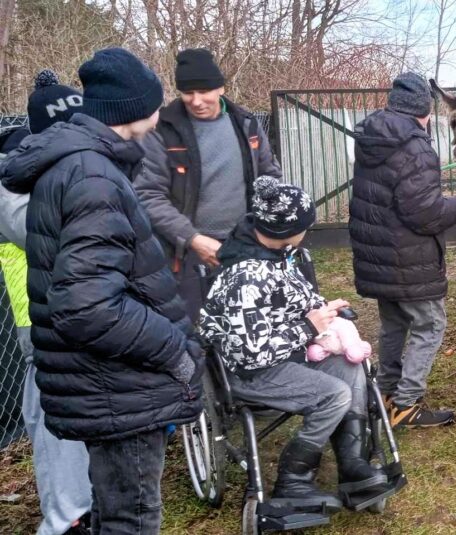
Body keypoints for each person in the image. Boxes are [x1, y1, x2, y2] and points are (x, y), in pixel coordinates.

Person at [0, 48, 202, 535]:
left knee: (115, 512)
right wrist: (174, 350)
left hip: (107, 383)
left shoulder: (79, 164)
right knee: (131, 520)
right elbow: (86, 305)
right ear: (136, 109)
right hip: (119, 384)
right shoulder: (93, 176)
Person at [200, 176, 388, 504]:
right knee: (333, 394)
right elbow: (250, 355)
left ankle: (353, 465)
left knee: (350, 368)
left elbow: (293, 298)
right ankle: (292, 481)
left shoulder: (278, 253)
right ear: (289, 228)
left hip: (287, 353)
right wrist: (308, 328)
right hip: (248, 372)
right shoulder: (247, 277)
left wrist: (322, 311)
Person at [0, 70, 92, 535]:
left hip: (80, 314)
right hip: (40, 320)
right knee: (52, 419)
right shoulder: (13, 176)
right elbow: (35, 232)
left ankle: (82, 505)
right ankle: (66, 518)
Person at [349, 72, 456, 428]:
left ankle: (385, 392)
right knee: (430, 324)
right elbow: (425, 214)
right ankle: (407, 403)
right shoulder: (416, 146)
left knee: (394, 322)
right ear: (424, 112)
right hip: (408, 259)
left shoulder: (372, 137)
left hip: (377, 257)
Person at [137, 47, 281, 321]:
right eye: (188, 92)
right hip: (186, 254)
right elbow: (148, 196)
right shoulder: (162, 131)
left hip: (245, 245)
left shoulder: (247, 124)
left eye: (204, 91)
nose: (196, 100)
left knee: (249, 325)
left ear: (221, 88)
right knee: (196, 331)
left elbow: (270, 177)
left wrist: (273, 228)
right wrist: (193, 239)